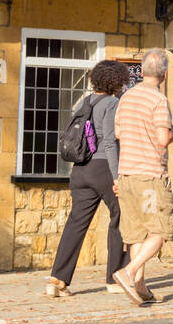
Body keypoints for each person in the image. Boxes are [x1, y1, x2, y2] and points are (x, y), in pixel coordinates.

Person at [45, 60, 130, 298]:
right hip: (102, 167)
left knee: (76, 223)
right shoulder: (112, 103)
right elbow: (110, 143)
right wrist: (117, 177)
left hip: (80, 169)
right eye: (122, 81)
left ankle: (57, 279)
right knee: (121, 215)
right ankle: (115, 277)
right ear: (115, 82)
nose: (124, 85)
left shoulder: (84, 101)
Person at [112, 48, 173, 305]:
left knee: (136, 234)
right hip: (150, 176)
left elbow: (118, 132)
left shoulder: (126, 97)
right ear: (164, 73)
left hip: (126, 173)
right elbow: (163, 139)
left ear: (141, 70)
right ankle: (128, 273)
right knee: (161, 230)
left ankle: (139, 286)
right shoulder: (158, 100)